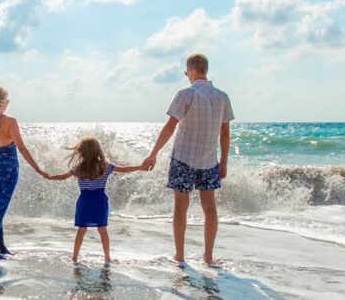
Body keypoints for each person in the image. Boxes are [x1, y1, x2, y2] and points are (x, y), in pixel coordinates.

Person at [142, 54, 234, 265]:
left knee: (180, 207)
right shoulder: (222, 97)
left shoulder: (186, 94)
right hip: (210, 160)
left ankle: (180, 256)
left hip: (183, 158)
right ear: (206, 70)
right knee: (209, 208)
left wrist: (153, 153)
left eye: (186, 72)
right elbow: (225, 134)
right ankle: (208, 257)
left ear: (190, 70)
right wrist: (224, 162)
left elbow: (169, 127)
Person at [0, 86, 48, 260]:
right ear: (4, 103)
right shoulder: (10, 122)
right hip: (7, 167)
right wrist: (37, 168)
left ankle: (0, 245)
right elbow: (21, 147)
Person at [47, 136, 144, 263]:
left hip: (84, 201)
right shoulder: (105, 166)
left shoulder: (78, 168)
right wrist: (140, 167)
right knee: (102, 230)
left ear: (81, 152)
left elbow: (63, 177)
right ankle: (107, 258)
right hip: (99, 201)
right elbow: (124, 169)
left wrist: (49, 177)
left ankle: (75, 257)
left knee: (81, 230)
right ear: (98, 151)